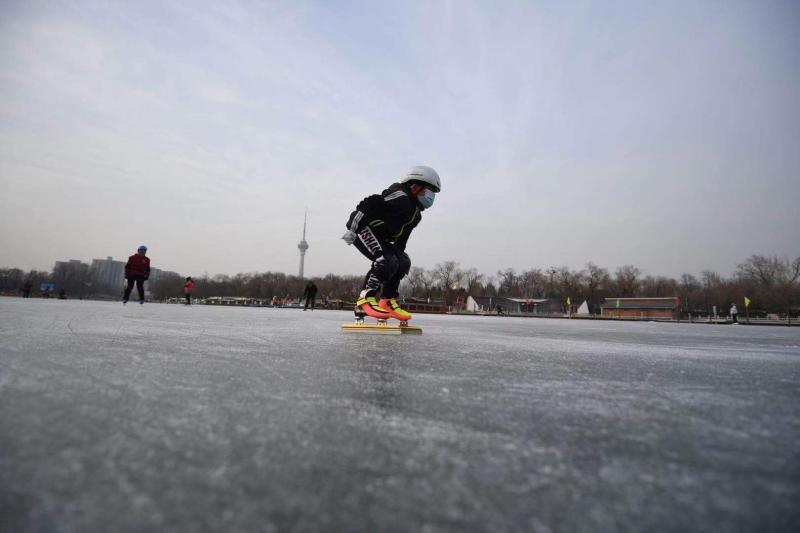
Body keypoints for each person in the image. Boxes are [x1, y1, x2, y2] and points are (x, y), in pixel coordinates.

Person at [342, 165, 441, 321]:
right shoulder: (400, 196)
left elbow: (402, 240)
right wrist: (353, 228)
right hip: (363, 228)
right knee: (385, 260)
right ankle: (364, 300)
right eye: (429, 190)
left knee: (402, 261)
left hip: (380, 237)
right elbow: (371, 203)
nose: (431, 196)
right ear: (415, 186)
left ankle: (387, 301)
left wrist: (399, 259)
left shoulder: (416, 215)